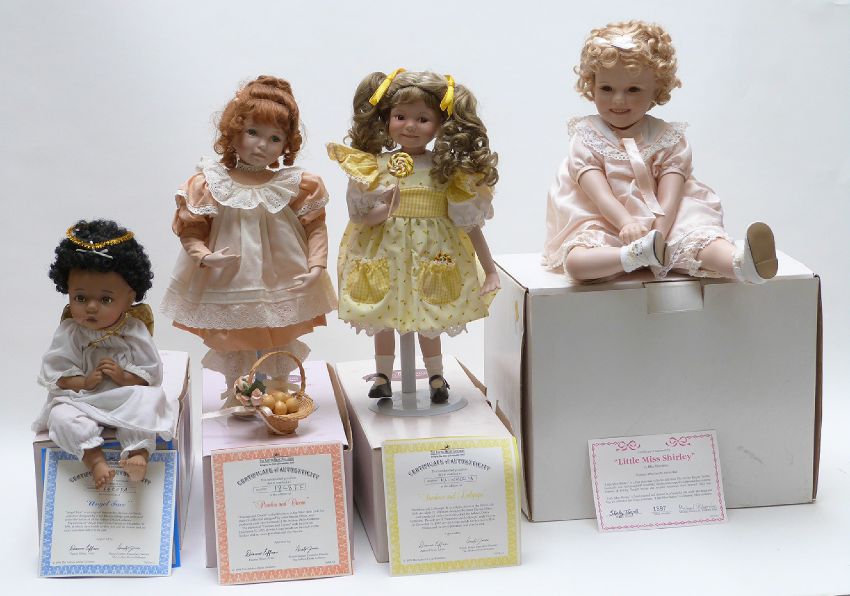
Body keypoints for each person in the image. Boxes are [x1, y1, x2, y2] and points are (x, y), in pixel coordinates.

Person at [543, 20, 777, 283]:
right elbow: (599, 194)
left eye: (633, 90)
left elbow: (670, 196)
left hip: (665, 220)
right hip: (605, 218)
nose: (618, 100)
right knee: (576, 263)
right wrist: (626, 223)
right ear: (592, 85)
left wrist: (660, 235)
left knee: (698, 234)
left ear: (657, 89)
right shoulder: (587, 136)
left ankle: (740, 263)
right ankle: (631, 256)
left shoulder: (667, 137)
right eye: (606, 89)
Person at [160, 76, 336, 402]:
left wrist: (316, 265)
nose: (262, 145)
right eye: (253, 132)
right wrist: (203, 255)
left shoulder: (294, 184)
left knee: (277, 332)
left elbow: (315, 226)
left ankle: (278, 391)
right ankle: (240, 392)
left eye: (274, 138)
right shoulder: (211, 182)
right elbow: (192, 228)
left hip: (282, 276)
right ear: (234, 131)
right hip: (230, 276)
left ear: (286, 144)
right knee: (236, 335)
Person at [328, 69, 499, 403]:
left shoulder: (445, 171)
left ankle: (435, 376)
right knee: (382, 314)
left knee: (429, 314)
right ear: (386, 119)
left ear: (440, 125)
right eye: (400, 117)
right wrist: (385, 210)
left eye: (423, 119)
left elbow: (468, 223)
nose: (410, 126)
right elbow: (359, 218)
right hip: (384, 252)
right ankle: (382, 374)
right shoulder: (373, 166)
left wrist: (490, 270)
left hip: (431, 252)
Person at [34, 220, 178, 489]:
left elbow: (150, 374)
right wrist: (84, 382)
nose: (91, 307)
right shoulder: (71, 331)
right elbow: (57, 374)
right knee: (60, 417)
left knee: (148, 400)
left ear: (129, 297)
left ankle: (138, 452)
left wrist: (123, 377)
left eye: (105, 300)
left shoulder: (133, 330)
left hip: (123, 395)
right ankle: (94, 458)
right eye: (80, 298)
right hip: (82, 398)